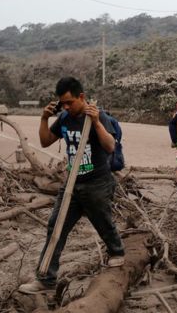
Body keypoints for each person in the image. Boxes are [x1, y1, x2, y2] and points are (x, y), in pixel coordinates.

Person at [18, 77, 124, 294]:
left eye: (69, 102)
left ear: (81, 97)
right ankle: (46, 279)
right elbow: (45, 141)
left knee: (103, 223)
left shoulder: (97, 116)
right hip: (72, 185)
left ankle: (117, 253)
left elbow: (110, 146)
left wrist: (95, 122)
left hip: (97, 183)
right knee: (55, 227)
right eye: (62, 103)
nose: (65, 107)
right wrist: (44, 119)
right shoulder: (65, 118)